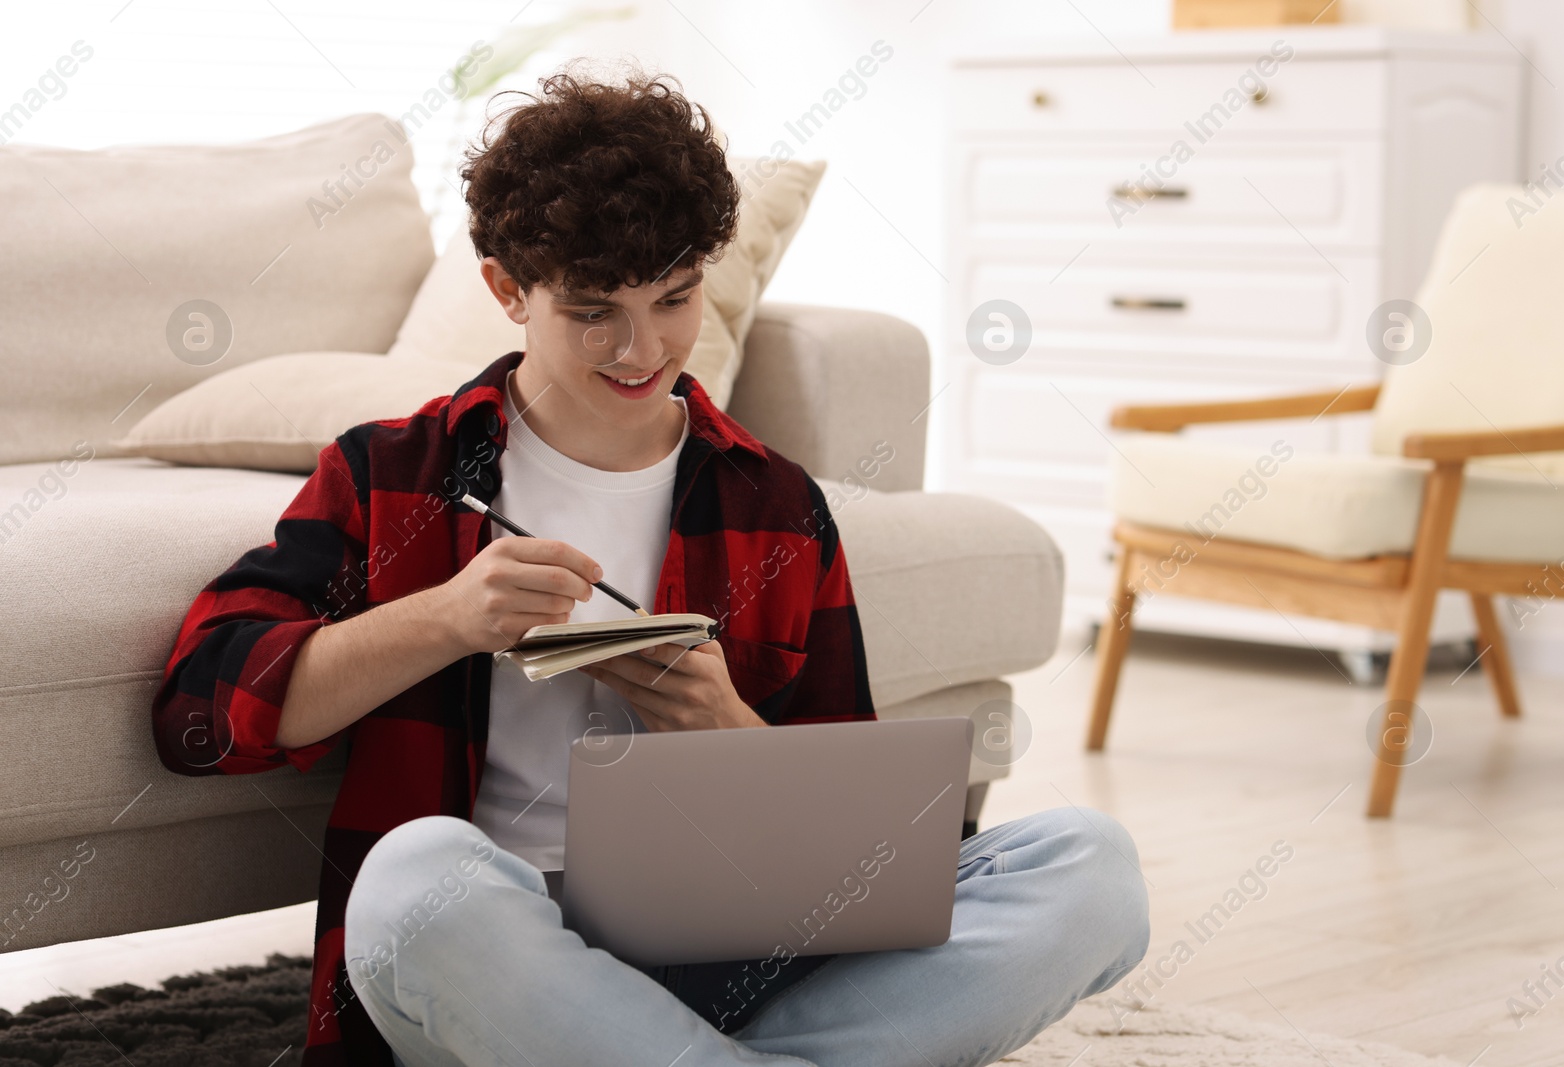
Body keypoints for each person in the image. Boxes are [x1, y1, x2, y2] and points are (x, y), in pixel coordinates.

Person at [151, 66, 1149, 1067]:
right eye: (594, 311)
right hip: (498, 955)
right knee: (414, 876)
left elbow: (853, 843)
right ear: (507, 290)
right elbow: (200, 713)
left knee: (1090, 865)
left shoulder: (774, 505)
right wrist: (445, 618)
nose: (644, 348)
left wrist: (720, 724)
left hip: (726, 952)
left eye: (674, 298)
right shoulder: (392, 473)